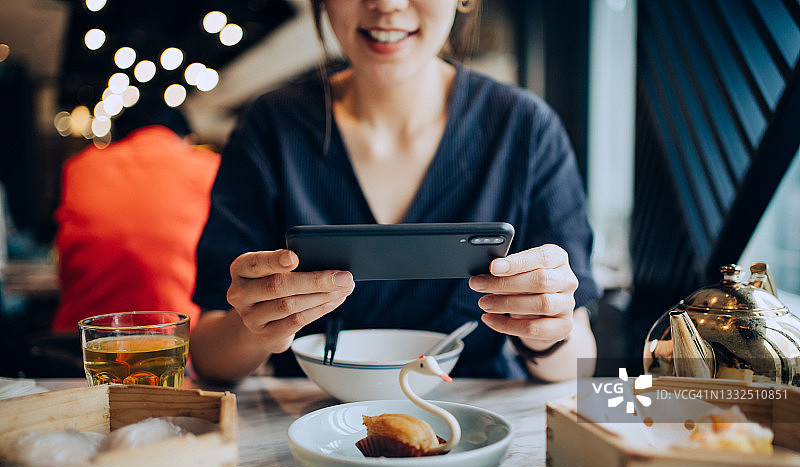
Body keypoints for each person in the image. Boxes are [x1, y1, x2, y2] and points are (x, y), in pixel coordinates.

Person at [190, 0, 601, 383]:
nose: (386, 5)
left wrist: (546, 330)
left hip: (474, 431)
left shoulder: (525, 128)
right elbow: (209, 358)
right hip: (312, 428)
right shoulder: (270, 128)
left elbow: (578, 363)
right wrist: (252, 330)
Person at [51, 97, 220, 333]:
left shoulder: (79, 166)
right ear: (187, 139)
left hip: (80, 343)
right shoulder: (209, 166)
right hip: (174, 343)